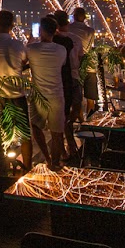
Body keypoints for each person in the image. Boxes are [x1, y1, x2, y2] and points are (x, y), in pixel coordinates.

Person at [0, 10, 30, 174]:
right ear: (12, 25)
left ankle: (3, 170)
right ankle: (27, 169)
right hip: (18, 94)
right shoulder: (18, 45)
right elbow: (25, 61)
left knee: (0, 134)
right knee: (25, 134)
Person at [26, 15, 68, 168]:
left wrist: (31, 40)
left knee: (36, 126)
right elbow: (62, 65)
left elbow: (23, 61)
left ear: (41, 30)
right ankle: (55, 163)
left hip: (39, 97)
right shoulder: (61, 50)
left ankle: (47, 157)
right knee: (57, 133)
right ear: (55, 31)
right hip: (57, 95)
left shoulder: (32, 49)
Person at [52, 10, 80, 161]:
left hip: (60, 80)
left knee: (60, 116)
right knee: (71, 114)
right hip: (74, 78)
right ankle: (71, 146)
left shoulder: (53, 41)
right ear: (68, 22)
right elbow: (80, 58)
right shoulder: (76, 39)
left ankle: (63, 151)